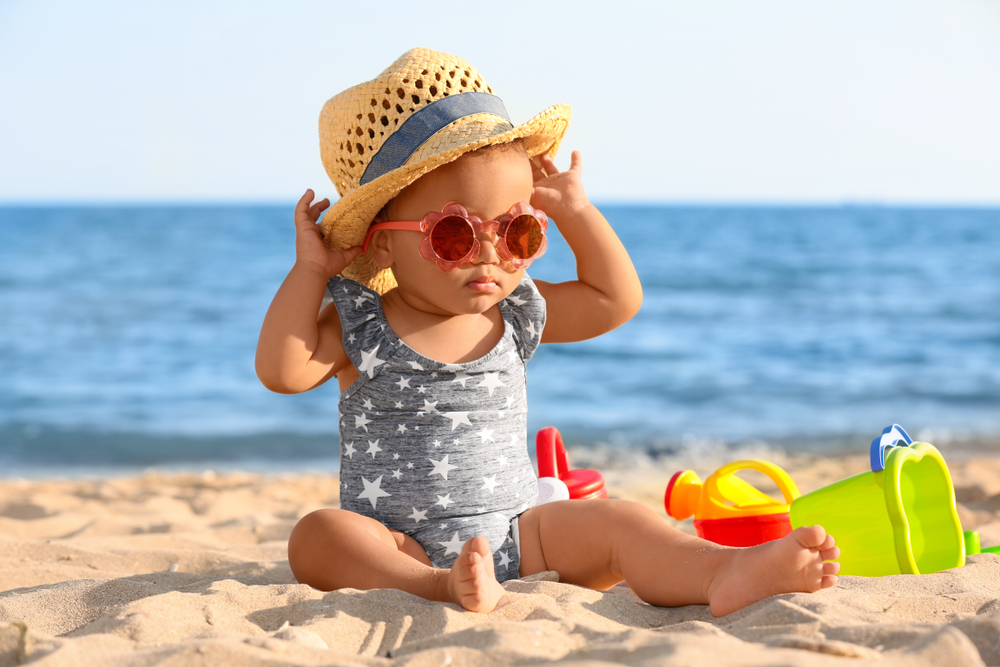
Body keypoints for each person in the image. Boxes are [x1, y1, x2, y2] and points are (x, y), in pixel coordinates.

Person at [256, 48, 840, 616]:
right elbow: (283, 372)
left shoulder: (515, 313)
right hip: (399, 547)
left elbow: (615, 300)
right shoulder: (364, 323)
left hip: (522, 536)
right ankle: (439, 586)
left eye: (518, 234)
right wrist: (310, 271)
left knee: (622, 521)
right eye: (454, 235)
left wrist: (576, 212)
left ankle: (722, 571)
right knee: (318, 536)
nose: (489, 256)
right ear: (382, 241)